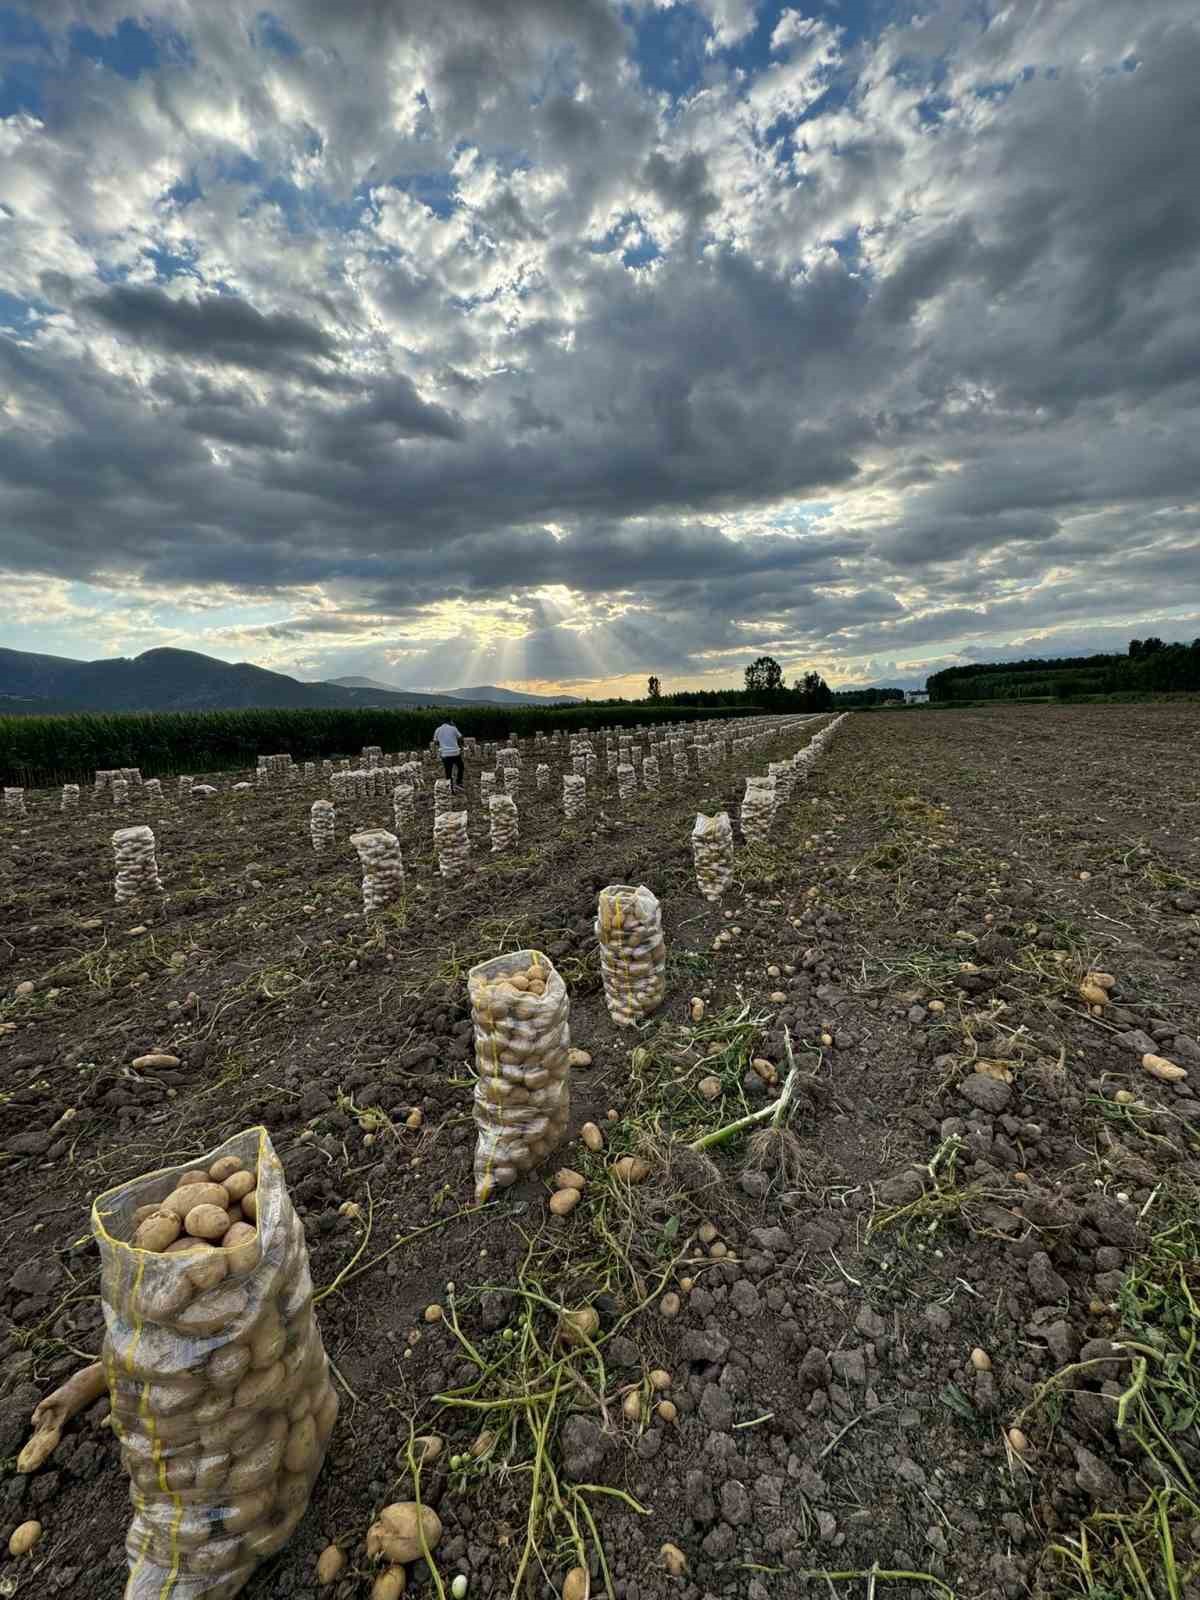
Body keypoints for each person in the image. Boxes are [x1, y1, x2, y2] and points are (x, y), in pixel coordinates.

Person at [434, 719, 465, 791]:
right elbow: (461, 737)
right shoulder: (453, 728)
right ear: (450, 722)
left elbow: (435, 742)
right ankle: (459, 782)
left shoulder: (438, 730)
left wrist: (442, 743)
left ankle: (449, 787)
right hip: (455, 753)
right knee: (460, 767)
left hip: (445, 754)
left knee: (448, 771)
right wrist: (460, 745)